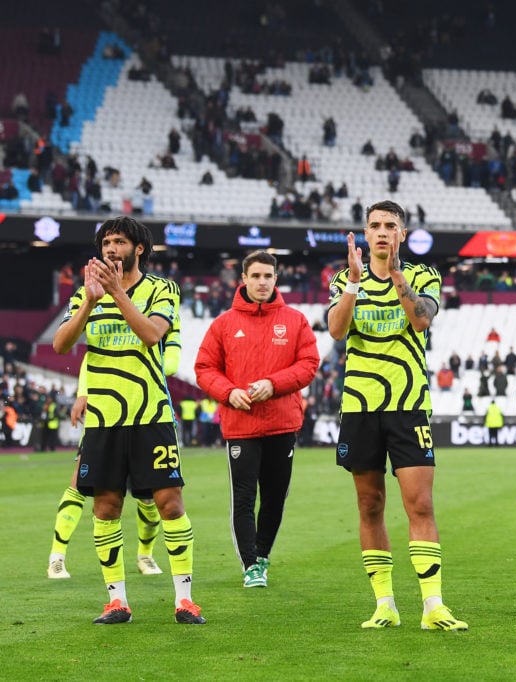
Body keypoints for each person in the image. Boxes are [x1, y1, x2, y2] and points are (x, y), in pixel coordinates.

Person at [51, 216, 204, 624]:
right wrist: (89, 300)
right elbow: (61, 343)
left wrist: (118, 294)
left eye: (119, 241)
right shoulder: (87, 293)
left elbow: (152, 334)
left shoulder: (161, 289)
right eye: (106, 242)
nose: (110, 248)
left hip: (149, 413)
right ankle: (117, 601)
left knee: (169, 504)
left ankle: (184, 600)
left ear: (138, 248)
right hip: (103, 419)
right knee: (105, 508)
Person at [327, 200, 466, 630]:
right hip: (360, 407)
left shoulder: (424, 276)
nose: (383, 232)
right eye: (375, 226)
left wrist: (396, 276)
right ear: (366, 234)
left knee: (420, 503)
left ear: (402, 234)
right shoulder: (343, 279)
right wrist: (353, 283)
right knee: (370, 505)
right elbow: (335, 330)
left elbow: (420, 320)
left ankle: (432, 606)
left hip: (408, 406)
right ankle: (384, 603)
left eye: (390, 226)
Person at [194, 250, 319, 588]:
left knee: (275, 496)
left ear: (276, 279)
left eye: (268, 276)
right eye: (256, 276)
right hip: (242, 425)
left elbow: (309, 363)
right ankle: (250, 564)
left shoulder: (295, 320)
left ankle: (263, 555)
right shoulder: (223, 324)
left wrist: (273, 384)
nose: (262, 282)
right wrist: (227, 392)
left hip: (282, 423)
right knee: (245, 498)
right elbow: (204, 369)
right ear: (244, 280)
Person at [47, 326, 182, 580]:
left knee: (152, 496)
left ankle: (145, 555)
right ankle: (56, 557)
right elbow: (92, 356)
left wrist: (126, 365)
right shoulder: (115, 312)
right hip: (107, 415)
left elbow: (171, 364)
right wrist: (83, 393)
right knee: (79, 484)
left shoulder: (165, 320)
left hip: (148, 416)